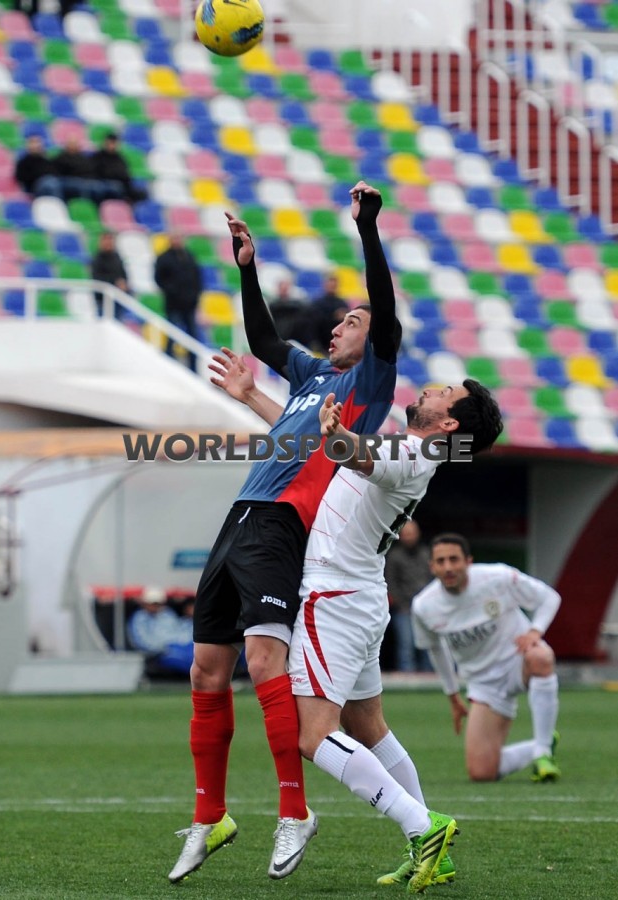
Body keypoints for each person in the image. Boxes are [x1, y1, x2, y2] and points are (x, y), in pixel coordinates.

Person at [168, 181, 401, 885]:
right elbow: (266, 340)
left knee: (265, 663)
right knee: (205, 670)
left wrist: (366, 230)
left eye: (351, 321)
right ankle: (210, 815)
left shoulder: (370, 382)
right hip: (242, 514)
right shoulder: (310, 376)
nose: (339, 327)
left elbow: (384, 309)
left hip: (284, 525)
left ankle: (294, 811)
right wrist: (248, 269)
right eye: (341, 320)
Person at [216, 359, 504, 890]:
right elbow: (328, 448)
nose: (432, 389)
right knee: (367, 727)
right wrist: (254, 397)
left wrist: (341, 436)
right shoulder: (415, 453)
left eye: (445, 391)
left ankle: (422, 826)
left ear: (448, 423)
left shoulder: (412, 453)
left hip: (334, 599)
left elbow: (361, 456)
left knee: (313, 736)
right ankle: (429, 846)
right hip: (362, 597)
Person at [412, 533, 562, 784]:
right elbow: (435, 649)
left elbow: (549, 597)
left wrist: (535, 632)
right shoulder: (424, 606)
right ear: (432, 567)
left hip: (517, 662)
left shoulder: (498, 577)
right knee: (481, 773)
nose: (448, 567)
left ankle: (543, 754)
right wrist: (452, 695)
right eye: (440, 561)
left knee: (541, 656)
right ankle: (542, 742)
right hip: (483, 683)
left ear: (468, 561)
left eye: (454, 559)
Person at [384, 521, 433, 672]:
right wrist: (401, 604)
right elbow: (390, 583)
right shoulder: (394, 556)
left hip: (427, 609)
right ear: (400, 535)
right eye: (406, 534)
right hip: (404, 609)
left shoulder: (426, 553)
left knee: (429, 646)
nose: (409, 537)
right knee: (406, 646)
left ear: (418, 534)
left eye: (411, 533)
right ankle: (406, 679)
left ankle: (430, 679)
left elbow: (433, 580)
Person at [154, 235, 204, 370]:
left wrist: (195, 296)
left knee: (192, 337)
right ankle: (168, 366)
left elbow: (197, 278)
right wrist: (173, 291)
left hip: (189, 304)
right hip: (173, 304)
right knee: (172, 335)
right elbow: (159, 279)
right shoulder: (164, 258)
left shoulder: (189, 256)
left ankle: (193, 369)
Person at [90, 132, 147, 203]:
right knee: (115, 188)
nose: (112, 145)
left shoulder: (120, 158)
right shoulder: (98, 157)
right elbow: (98, 173)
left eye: (114, 143)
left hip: (123, 184)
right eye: (110, 143)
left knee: (142, 192)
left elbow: (125, 173)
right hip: (106, 184)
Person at [90, 232, 129, 317]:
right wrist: (115, 282)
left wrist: (124, 283)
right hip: (103, 300)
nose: (108, 242)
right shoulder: (97, 259)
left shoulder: (117, 257)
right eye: (106, 239)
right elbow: (97, 279)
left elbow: (123, 274)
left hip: (118, 299)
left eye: (110, 239)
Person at [14, 134, 63, 200]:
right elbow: (20, 177)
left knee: (75, 184)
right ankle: (58, 204)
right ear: (28, 146)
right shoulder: (23, 162)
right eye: (33, 142)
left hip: (54, 180)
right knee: (51, 184)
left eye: (37, 142)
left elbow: (55, 172)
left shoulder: (46, 159)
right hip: (36, 185)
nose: (36, 145)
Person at [310, 273, 348, 354]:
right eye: (330, 285)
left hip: (338, 342)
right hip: (321, 342)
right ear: (325, 285)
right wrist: (334, 317)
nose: (332, 287)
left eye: (334, 285)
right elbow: (315, 323)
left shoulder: (342, 303)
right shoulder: (317, 303)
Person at [268, 278, 311, 345]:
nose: (284, 290)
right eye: (282, 288)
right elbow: (276, 307)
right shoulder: (274, 304)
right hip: (280, 333)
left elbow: (304, 307)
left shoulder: (297, 304)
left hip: (294, 335)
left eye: (286, 288)